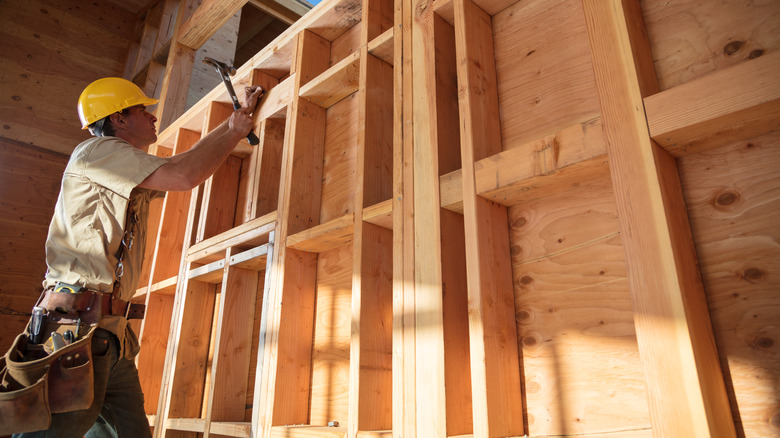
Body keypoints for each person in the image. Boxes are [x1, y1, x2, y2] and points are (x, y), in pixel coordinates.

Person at [13, 77, 264, 438]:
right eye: (142, 109)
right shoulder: (97, 153)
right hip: (77, 330)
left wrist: (232, 127)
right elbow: (185, 174)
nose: (151, 116)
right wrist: (234, 131)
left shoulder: (122, 166)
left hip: (109, 336)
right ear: (118, 119)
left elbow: (182, 163)